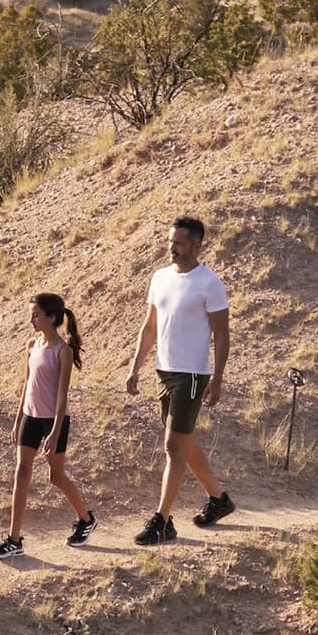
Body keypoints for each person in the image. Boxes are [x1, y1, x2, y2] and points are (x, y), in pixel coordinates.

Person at [125, 216, 236, 545]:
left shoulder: (209, 284)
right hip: (164, 371)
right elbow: (149, 327)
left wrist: (217, 379)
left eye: (180, 242)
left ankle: (162, 522)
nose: (172, 247)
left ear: (197, 244)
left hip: (191, 375)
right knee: (184, 443)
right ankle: (219, 501)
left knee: (173, 445)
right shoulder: (159, 278)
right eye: (170, 241)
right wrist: (135, 368)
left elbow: (222, 335)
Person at [0, 292, 97, 559]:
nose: (32, 320)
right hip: (30, 417)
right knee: (21, 471)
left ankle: (86, 519)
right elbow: (27, 384)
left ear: (51, 317)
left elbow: (62, 396)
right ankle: (14, 540)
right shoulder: (31, 345)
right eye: (31, 314)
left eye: (36, 315)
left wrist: (56, 431)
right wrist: (17, 420)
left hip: (53, 421)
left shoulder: (64, 352)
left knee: (56, 476)